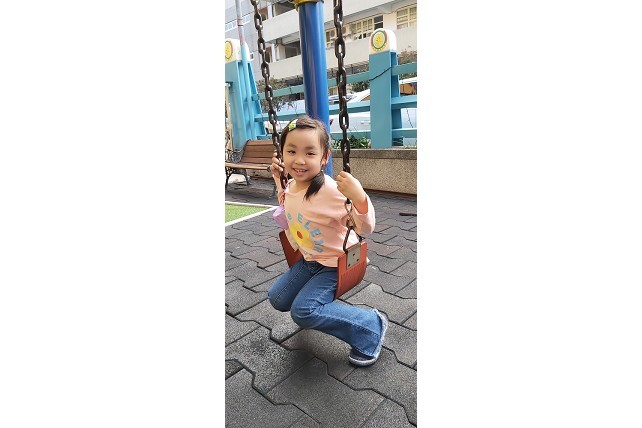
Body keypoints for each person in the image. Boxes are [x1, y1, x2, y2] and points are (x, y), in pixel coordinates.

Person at [268, 115, 387, 367]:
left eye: (310, 153)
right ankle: (317, 308)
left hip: (337, 264)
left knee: (303, 312)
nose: (299, 160)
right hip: (311, 260)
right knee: (277, 298)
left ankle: (370, 327)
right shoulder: (292, 185)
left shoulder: (331, 192)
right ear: (282, 154)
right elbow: (287, 205)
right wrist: (279, 179)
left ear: (324, 157)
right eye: (291, 151)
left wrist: (359, 197)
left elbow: (365, 228)